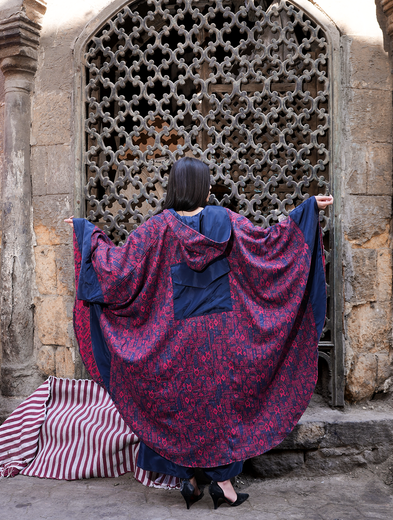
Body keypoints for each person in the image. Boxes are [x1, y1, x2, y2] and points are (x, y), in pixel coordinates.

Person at [66, 157, 333, 510]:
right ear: (200, 186)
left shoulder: (157, 229)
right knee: (221, 408)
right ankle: (223, 485)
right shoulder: (227, 222)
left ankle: (189, 481)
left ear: (175, 186)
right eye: (207, 182)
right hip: (223, 340)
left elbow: (117, 268)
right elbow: (269, 245)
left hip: (175, 343)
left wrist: (86, 233)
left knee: (177, 407)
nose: (210, 188)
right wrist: (307, 211)